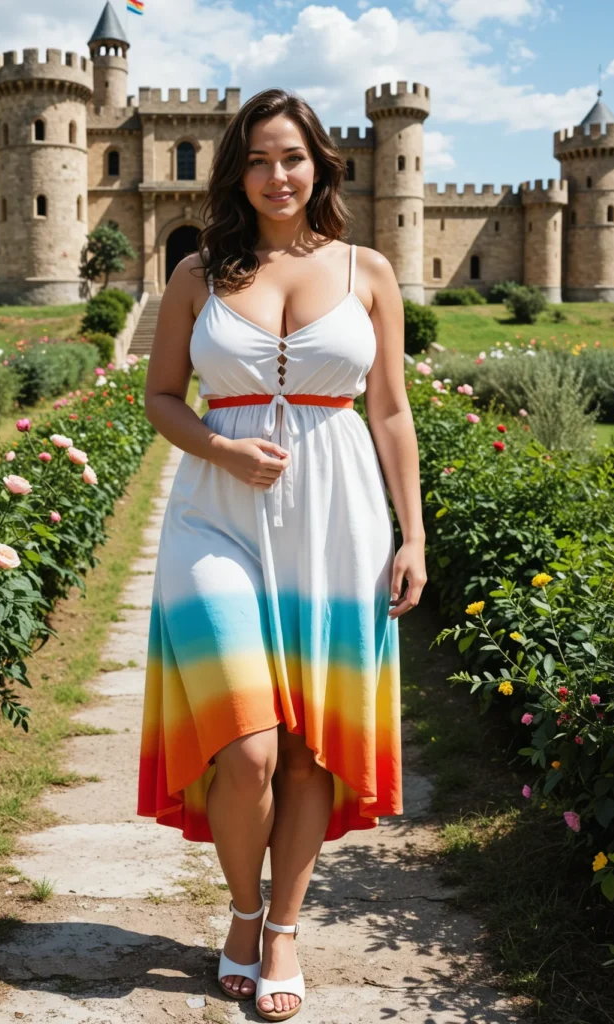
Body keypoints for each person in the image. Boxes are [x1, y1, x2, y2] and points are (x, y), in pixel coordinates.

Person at [137, 87, 427, 1022]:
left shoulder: (370, 270)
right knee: (249, 749)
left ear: (321, 166)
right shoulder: (198, 273)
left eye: (292, 157)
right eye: (258, 159)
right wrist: (220, 446)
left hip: (338, 521)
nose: (276, 175)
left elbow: (389, 410)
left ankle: (284, 931)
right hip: (214, 519)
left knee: (308, 753)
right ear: (236, 171)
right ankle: (242, 909)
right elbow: (162, 398)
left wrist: (412, 532)